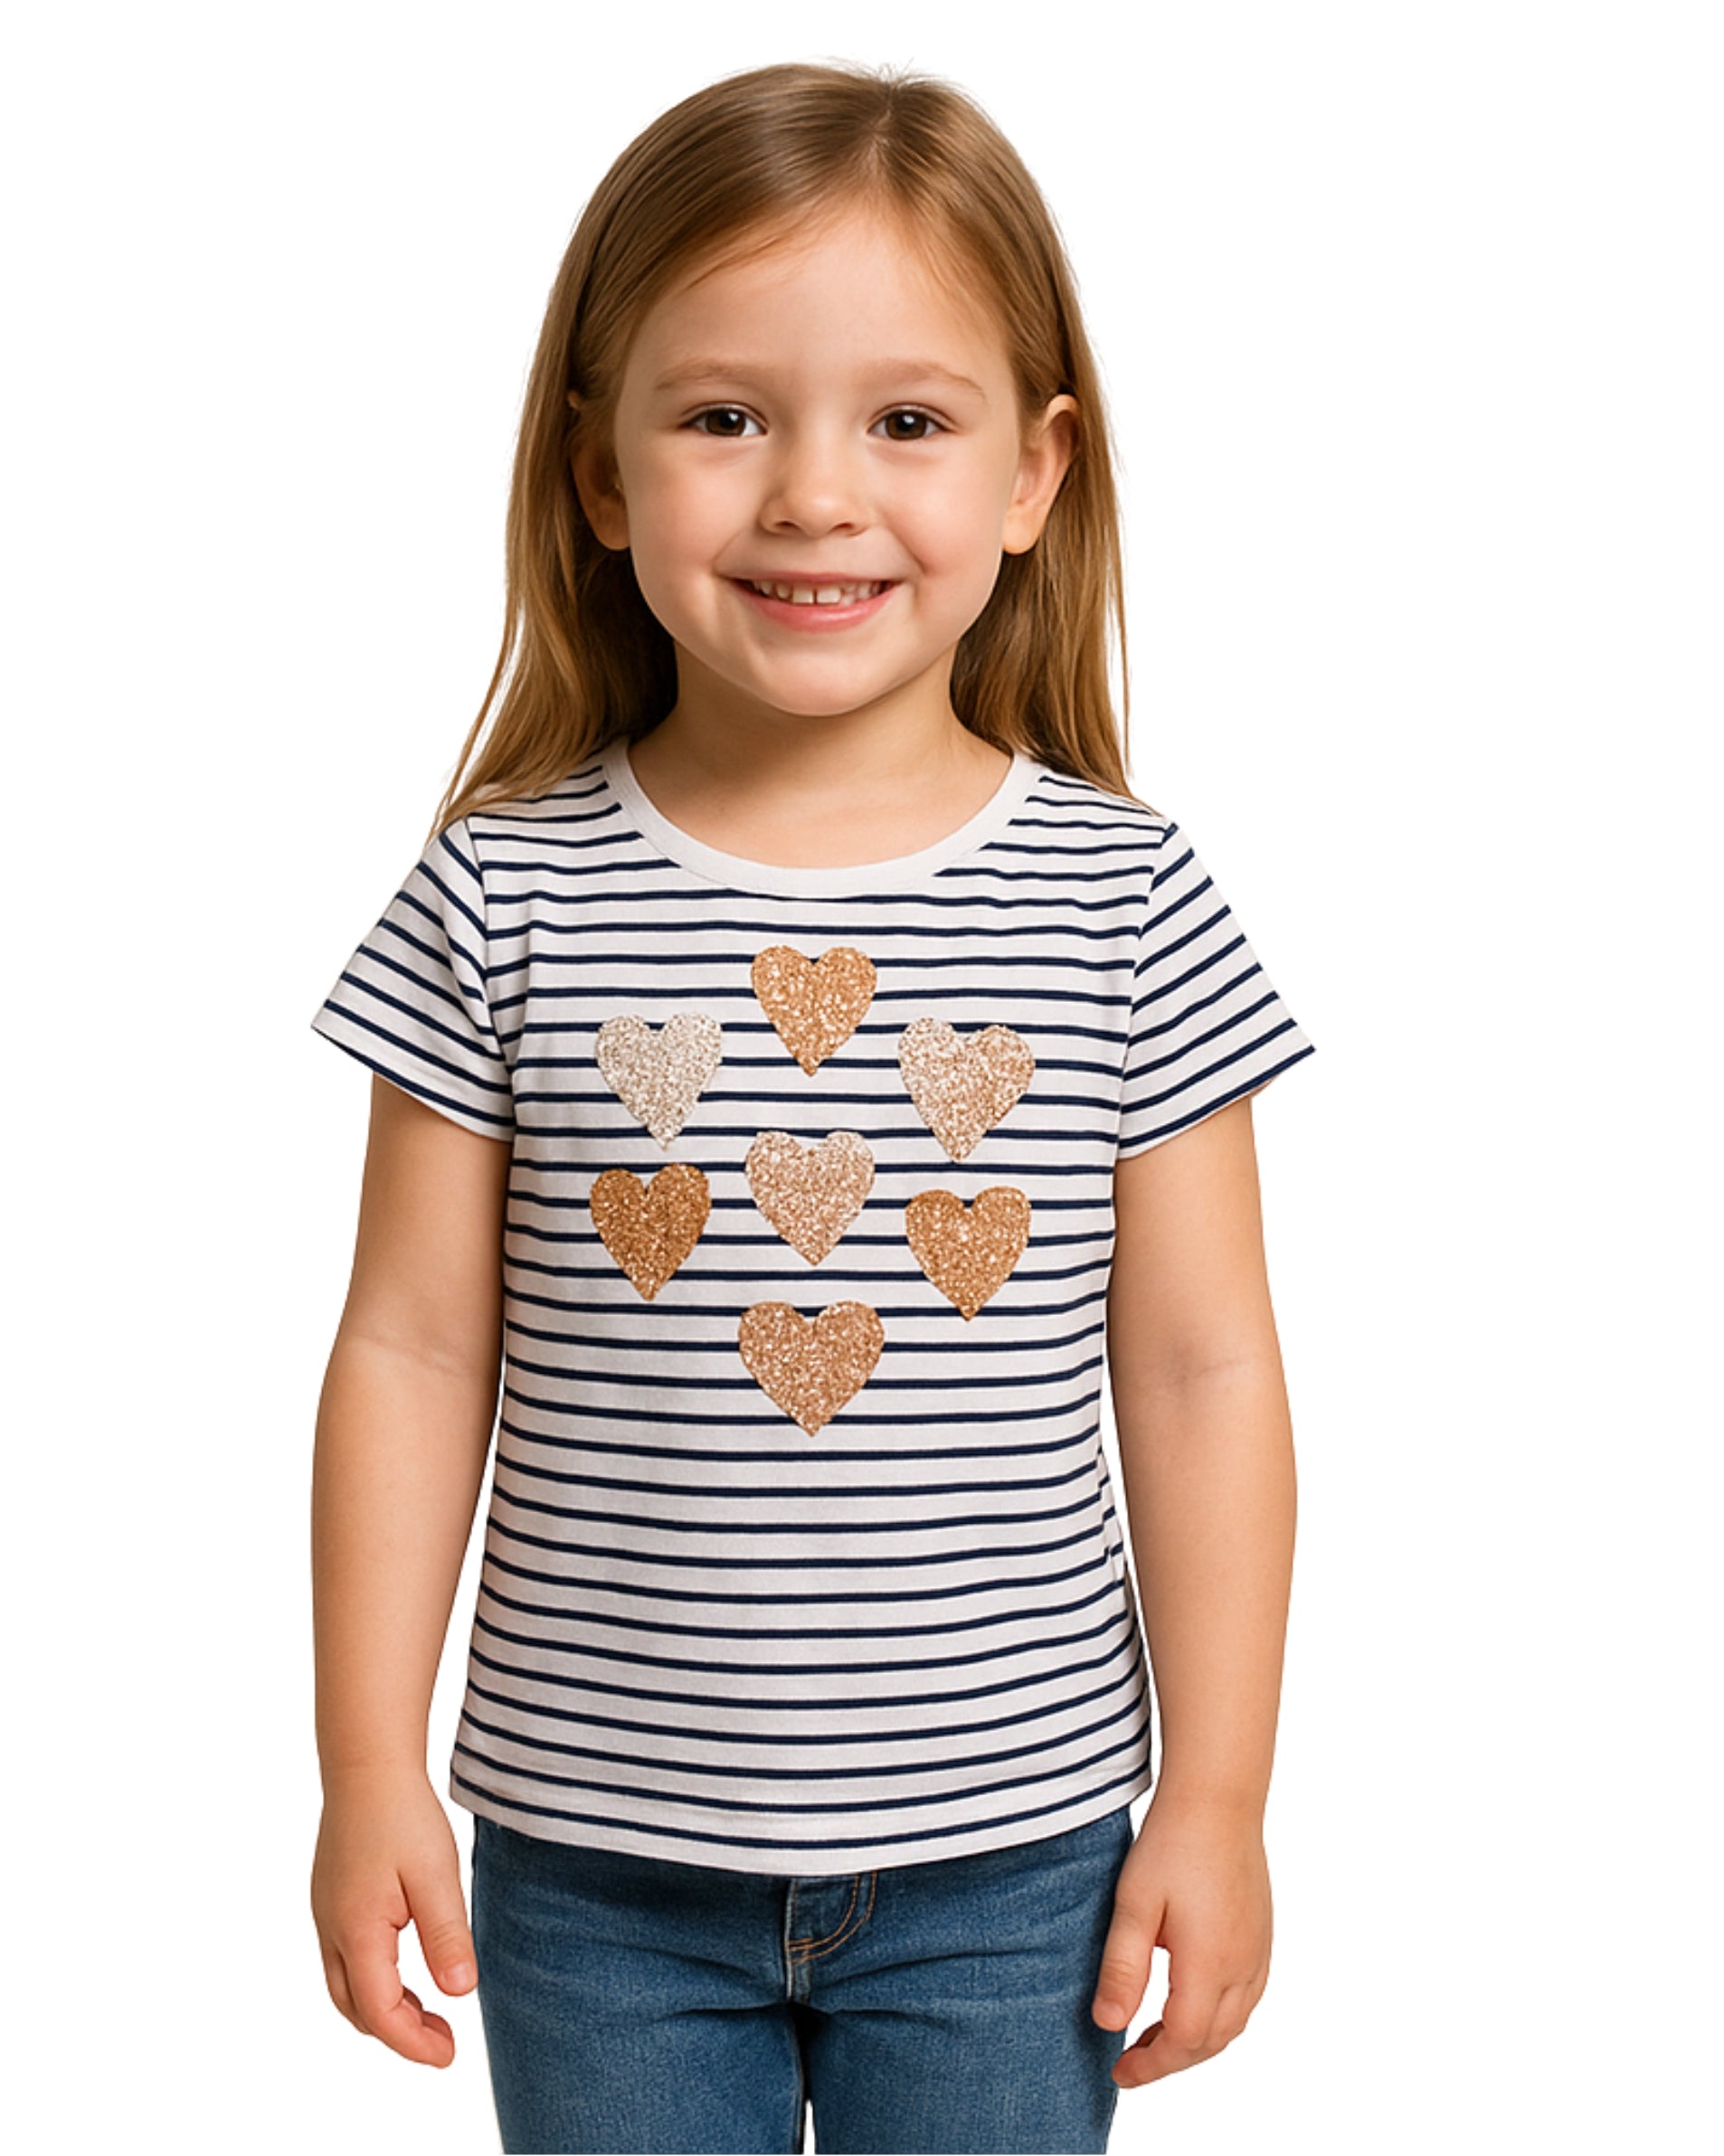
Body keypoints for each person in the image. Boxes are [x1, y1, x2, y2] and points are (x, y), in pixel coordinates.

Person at [308, 58, 1316, 2156]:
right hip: (592, 1872)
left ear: (1035, 472)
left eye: (907, 422)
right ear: (596, 472)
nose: (811, 496)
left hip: (1014, 1867)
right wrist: (364, 1765)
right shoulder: (501, 893)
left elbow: (1203, 1367)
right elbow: (405, 1348)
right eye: (722, 417)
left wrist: (1217, 1794)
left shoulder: (1125, 901)